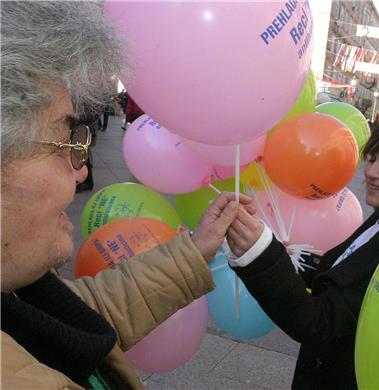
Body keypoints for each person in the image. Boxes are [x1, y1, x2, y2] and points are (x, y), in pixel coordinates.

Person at [1, 2, 251, 388]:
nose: (82, 168)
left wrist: (197, 249)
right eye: (64, 142)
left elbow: (84, 313)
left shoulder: (19, 292)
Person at [225, 111, 379, 389]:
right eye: (372, 158)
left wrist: (261, 254)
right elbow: (341, 276)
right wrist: (293, 258)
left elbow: (319, 322)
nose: (371, 172)